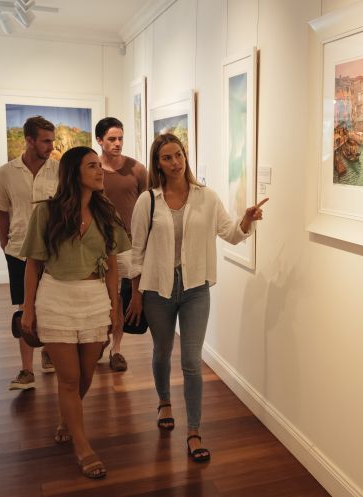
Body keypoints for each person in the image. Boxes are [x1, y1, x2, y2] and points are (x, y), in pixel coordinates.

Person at [126, 133, 267, 463]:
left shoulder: (206, 197)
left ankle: (193, 431)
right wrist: (134, 294)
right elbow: (136, 252)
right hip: (157, 289)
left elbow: (232, 234)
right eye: (167, 158)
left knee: (191, 361)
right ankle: (164, 401)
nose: (176, 163)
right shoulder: (148, 200)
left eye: (179, 155)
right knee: (162, 350)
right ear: (157, 163)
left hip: (195, 290)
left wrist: (247, 219)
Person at [19, 146, 130, 479]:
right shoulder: (47, 213)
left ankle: (68, 418)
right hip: (56, 297)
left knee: (85, 376)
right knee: (68, 378)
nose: (100, 171)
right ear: (74, 173)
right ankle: (82, 446)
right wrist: (28, 310)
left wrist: (115, 308)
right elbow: (33, 264)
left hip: (94, 299)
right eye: (92, 166)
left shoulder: (106, 212)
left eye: (100, 165)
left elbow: (112, 266)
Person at [0, 115, 58, 390]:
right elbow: (1, 211)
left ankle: (49, 352)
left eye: (52, 140)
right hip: (18, 251)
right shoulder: (5, 173)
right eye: (46, 141)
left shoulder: (60, 170)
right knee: (25, 310)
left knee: (51, 307)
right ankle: (26, 370)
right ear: (29, 140)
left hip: (53, 253)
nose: (51, 146)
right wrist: (4, 244)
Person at [96, 117, 148, 372]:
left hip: (128, 245)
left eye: (120, 139)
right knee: (101, 297)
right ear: (99, 141)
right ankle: (99, 339)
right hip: (97, 245)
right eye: (112, 139)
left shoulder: (137, 170)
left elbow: (150, 206)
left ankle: (116, 349)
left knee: (120, 296)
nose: (117, 144)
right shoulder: (92, 170)